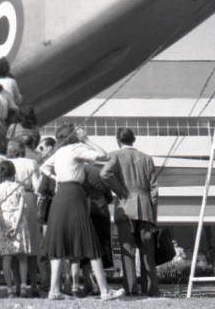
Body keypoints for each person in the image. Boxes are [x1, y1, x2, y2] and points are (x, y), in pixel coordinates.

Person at [41, 123, 123, 301]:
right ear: (73, 136)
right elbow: (104, 155)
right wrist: (86, 139)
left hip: (60, 195)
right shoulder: (76, 148)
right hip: (75, 195)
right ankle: (104, 290)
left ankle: (54, 290)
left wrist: (56, 179)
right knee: (89, 242)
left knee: (57, 243)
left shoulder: (58, 152)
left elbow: (44, 168)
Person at [101, 127, 159, 297]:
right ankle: (151, 289)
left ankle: (131, 288)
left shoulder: (115, 155)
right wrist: (153, 214)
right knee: (148, 251)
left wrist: (120, 191)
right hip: (146, 207)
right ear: (134, 140)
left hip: (125, 206)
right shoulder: (147, 159)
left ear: (118, 140)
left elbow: (105, 173)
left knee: (127, 249)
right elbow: (155, 190)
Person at [6, 139, 41, 296]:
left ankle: (17, 284)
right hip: (28, 197)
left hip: (9, 199)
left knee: (14, 245)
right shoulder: (31, 163)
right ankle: (32, 284)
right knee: (31, 245)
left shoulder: (5, 162)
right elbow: (38, 186)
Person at [0, 160, 32, 298]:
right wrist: (15, 226)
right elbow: (22, 206)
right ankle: (23, 287)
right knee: (22, 257)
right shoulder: (18, 187)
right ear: (13, 172)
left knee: (6, 258)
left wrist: (3, 225)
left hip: (4, 221)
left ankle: (9, 289)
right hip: (18, 222)